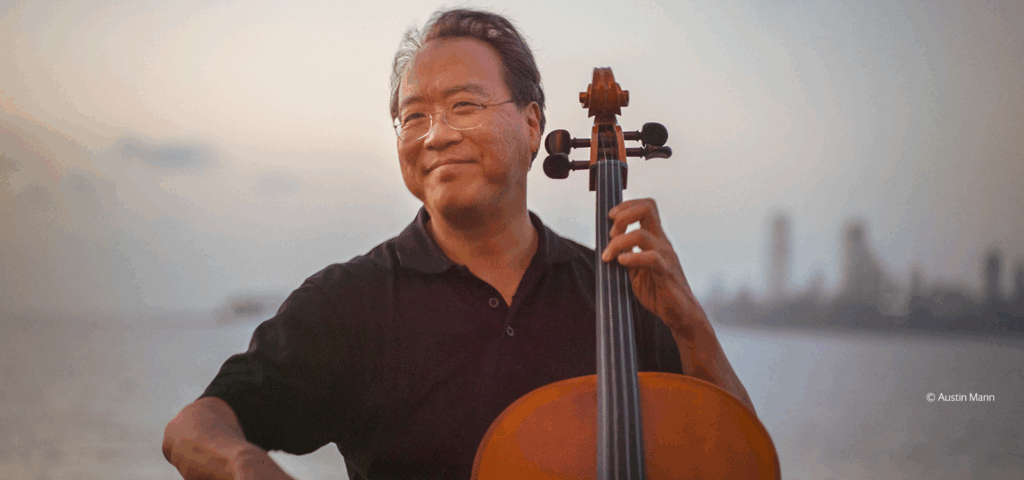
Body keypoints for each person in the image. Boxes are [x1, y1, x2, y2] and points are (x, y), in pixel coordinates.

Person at [162, 8, 755, 480]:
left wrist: (690, 324)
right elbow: (194, 428)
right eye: (414, 117)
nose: (436, 136)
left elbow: (738, 459)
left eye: (463, 106)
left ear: (531, 126)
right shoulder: (350, 302)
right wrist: (244, 465)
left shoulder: (616, 288)